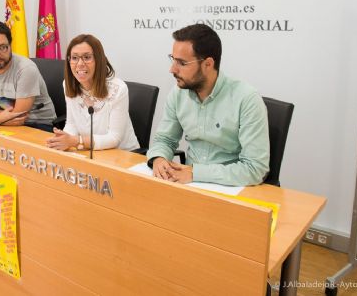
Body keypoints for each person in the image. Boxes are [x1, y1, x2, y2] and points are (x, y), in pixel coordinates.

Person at [146, 24, 269, 186]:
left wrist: (196, 173)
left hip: (230, 187)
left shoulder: (246, 99)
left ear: (208, 64)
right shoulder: (178, 94)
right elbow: (165, 139)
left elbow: (255, 168)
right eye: (173, 59)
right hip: (187, 183)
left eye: (182, 63)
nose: (172, 69)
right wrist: (159, 158)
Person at [46, 34, 139, 152]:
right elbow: (72, 124)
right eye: (74, 58)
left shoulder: (118, 89)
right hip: (88, 151)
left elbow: (114, 138)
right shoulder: (68, 85)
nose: (80, 63)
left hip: (122, 154)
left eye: (86, 57)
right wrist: (63, 139)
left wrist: (76, 141)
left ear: (98, 60)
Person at [0, 20, 56, 131]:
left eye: (2, 47)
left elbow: (18, 118)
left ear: (10, 45)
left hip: (39, 125)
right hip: (4, 123)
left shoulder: (26, 69)